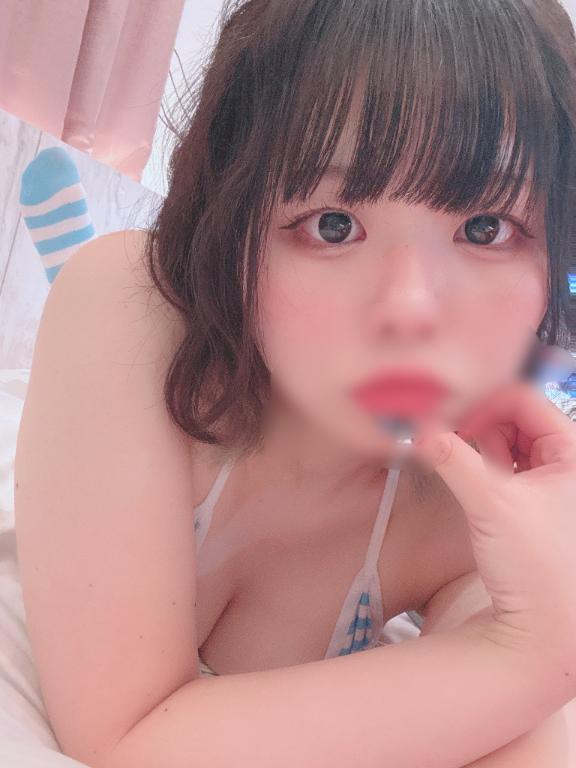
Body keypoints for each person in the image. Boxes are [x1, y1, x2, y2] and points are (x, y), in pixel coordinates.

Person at [13, 1, 576, 767]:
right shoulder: (129, 309)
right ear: (231, 222)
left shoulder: (474, 510)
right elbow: (122, 732)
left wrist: (540, 642)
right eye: (333, 225)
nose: (410, 309)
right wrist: (531, 657)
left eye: (486, 228)